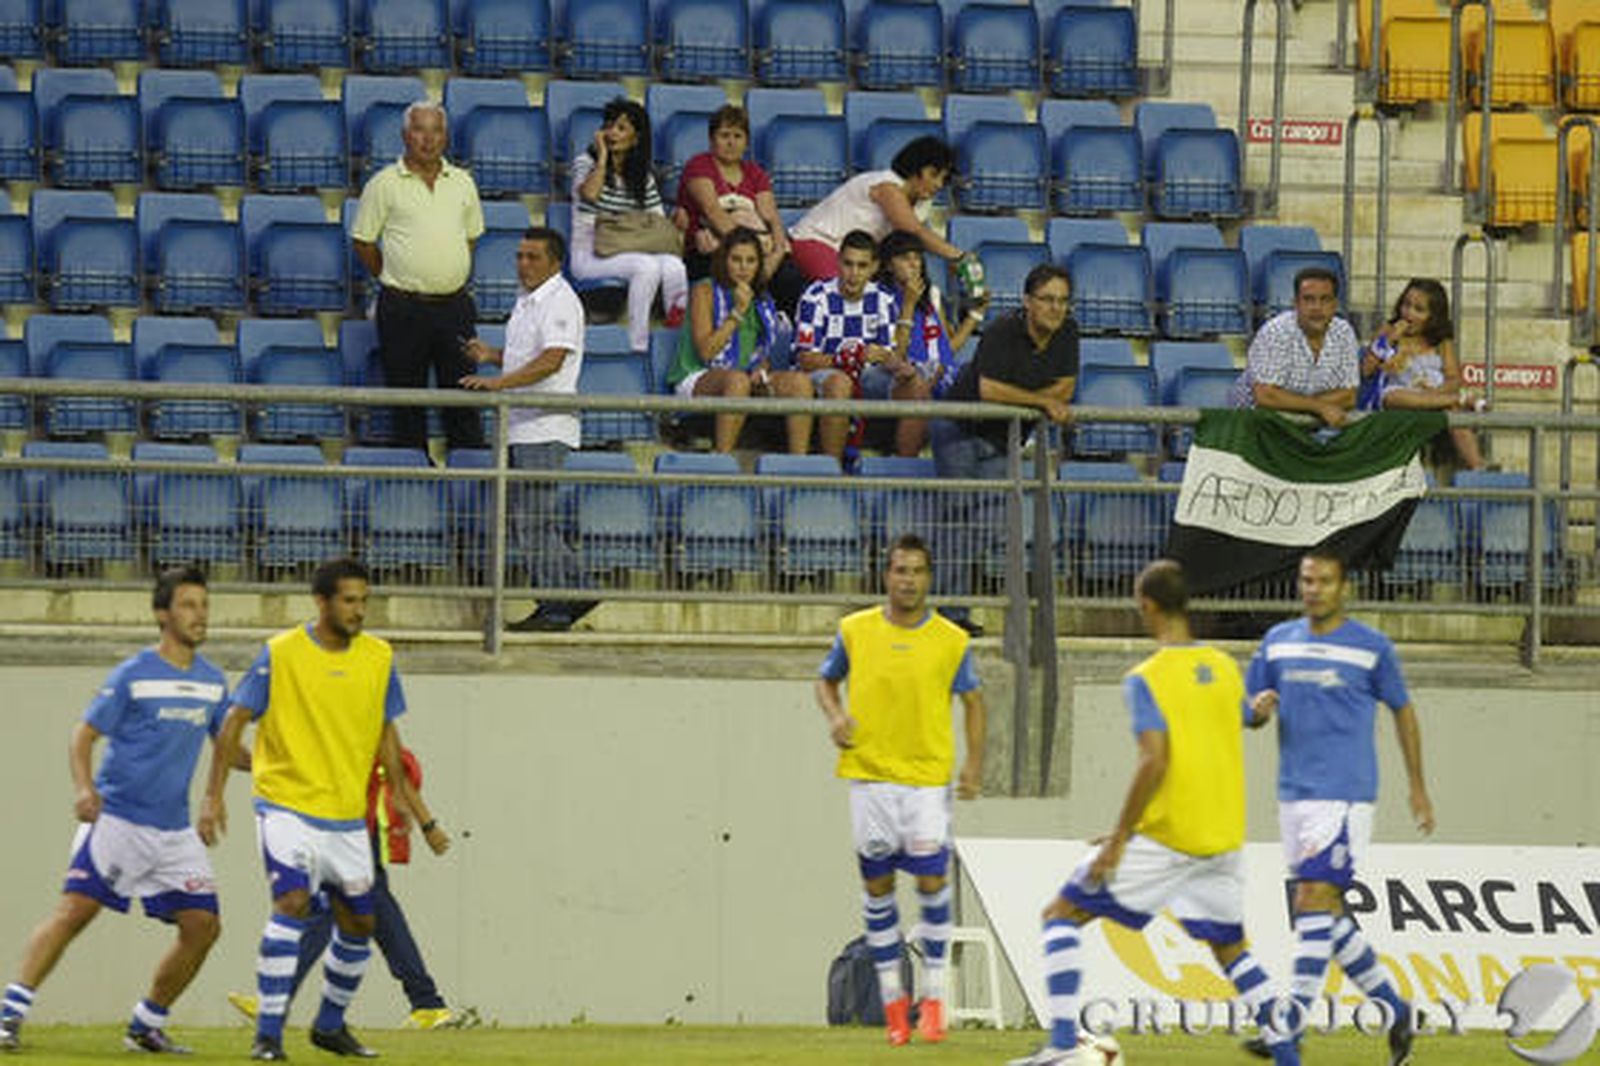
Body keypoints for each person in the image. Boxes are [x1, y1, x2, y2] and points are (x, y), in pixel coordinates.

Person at [1007, 560, 1300, 1066]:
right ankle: (1289, 1055)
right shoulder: (1224, 667)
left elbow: (1154, 759)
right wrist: (1262, 709)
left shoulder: (1147, 678)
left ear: (1146, 605)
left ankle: (1059, 1047)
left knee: (1060, 914)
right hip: (1223, 840)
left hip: (1170, 839)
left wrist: (1120, 840)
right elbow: (1246, 716)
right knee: (1231, 950)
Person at [199, 557, 451, 1062]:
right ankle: (268, 1037)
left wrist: (402, 798)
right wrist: (213, 794)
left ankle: (329, 1026)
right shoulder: (281, 653)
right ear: (322, 602)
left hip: (344, 815)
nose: (359, 610)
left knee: (359, 922)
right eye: (349, 600)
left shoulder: (379, 657)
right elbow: (234, 721)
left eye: (364, 600)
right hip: (286, 805)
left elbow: (385, 730)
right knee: (292, 902)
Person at [0, 567, 229, 1056]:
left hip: (173, 831)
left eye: (204, 605)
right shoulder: (134, 674)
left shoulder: (213, 682)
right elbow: (83, 735)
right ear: (162, 614)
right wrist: (84, 790)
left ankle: (145, 1026)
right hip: (118, 819)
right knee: (74, 912)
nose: (200, 615)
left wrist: (218, 794)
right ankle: (9, 1015)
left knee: (203, 926)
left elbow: (226, 744)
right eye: (189, 605)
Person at [1242, 550, 1435, 1066]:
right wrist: (1255, 711)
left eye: (1324, 581)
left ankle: (1289, 1029)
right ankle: (1397, 1013)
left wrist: (1417, 786)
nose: (1314, 589)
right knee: (1325, 913)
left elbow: (1403, 711)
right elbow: (1247, 706)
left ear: (1343, 587)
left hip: (1346, 796)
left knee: (1311, 898)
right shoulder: (1277, 642)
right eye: (1307, 580)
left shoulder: (1371, 648)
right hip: (1293, 796)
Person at [814, 533, 986, 1048]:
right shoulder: (855, 630)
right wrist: (836, 714)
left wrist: (974, 763)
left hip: (926, 782)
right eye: (899, 570)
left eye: (916, 571)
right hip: (869, 777)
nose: (907, 580)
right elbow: (825, 681)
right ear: (886, 576)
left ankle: (932, 1001)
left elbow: (975, 702)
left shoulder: (951, 640)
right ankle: (893, 1006)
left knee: (931, 885)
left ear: (928, 578)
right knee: (879, 888)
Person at [227, 748, 463, 1032]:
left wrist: (429, 825)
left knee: (328, 909)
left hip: (355, 832)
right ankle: (427, 1003)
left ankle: (276, 998)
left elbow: (396, 769)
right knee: (374, 913)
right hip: (343, 828)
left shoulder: (363, 721)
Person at [461, 226, 599, 633]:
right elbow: (532, 356)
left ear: (555, 262)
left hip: (542, 425)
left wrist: (498, 383)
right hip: (521, 425)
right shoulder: (528, 301)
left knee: (532, 521)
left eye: (533, 257)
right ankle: (574, 590)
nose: (523, 264)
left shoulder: (559, 301)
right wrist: (494, 357)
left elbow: (553, 359)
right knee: (532, 520)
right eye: (520, 256)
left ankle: (560, 603)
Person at [932, 264, 1078, 635]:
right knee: (959, 520)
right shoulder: (1002, 330)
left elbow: (1065, 389)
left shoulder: (1068, 333)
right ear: (1027, 301)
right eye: (1047, 300)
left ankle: (950, 609)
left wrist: (1033, 401)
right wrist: (1040, 403)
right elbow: (988, 391)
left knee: (991, 523)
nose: (1056, 308)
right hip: (959, 428)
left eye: (1062, 301)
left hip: (1003, 439)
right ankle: (951, 617)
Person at [352, 100, 487, 454]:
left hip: (455, 307)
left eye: (436, 130)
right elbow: (363, 241)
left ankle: (469, 475)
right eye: (419, 130)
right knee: (407, 399)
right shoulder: (383, 184)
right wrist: (393, 274)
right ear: (404, 135)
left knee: (463, 395)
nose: (428, 139)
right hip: (403, 308)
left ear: (446, 136)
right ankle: (415, 483)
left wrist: (446, 270)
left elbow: (471, 237)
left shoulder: (463, 183)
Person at [667, 227, 813, 454]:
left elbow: (760, 352)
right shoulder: (704, 290)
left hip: (744, 375)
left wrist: (761, 370)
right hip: (698, 375)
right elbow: (706, 351)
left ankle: (797, 465)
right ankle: (722, 460)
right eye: (736, 259)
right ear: (724, 260)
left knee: (799, 383)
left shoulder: (762, 297)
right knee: (737, 382)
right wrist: (736, 313)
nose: (744, 267)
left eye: (751, 260)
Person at [570, 97, 689, 355]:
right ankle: (638, 344)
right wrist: (602, 158)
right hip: (589, 254)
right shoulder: (585, 163)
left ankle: (677, 339)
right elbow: (589, 194)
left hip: (630, 247)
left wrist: (676, 224)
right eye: (610, 126)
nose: (613, 133)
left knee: (674, 267)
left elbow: (657, 224)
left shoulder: (641, 176)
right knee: (645, 267)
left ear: (636, 138)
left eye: (622, 128)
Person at [871, 229, 986, 457]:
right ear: (888, 265)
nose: (914, 264)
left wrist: (976, 315)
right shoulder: (879, 298)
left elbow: (945, 348)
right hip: (905, 376)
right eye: (905, 258)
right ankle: (907, 466)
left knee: (987, 378)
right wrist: (909, 304)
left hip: (944, 374)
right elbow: (896, 354)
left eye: (917, 258)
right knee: (921, 383)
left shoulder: (932, 295)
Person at [792, 230, 898, 459]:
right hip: (820, 375)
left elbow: (889, 354)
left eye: (862, 266)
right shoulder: (815, 296)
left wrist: (882, 357)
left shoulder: (884, 298)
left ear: (874, 268)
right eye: (848, 264)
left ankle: (908, 472)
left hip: (868, 377)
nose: (854, 274)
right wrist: (845, 359)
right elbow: (805, 359)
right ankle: (834, 469)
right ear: (838, 262)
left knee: (912, 382)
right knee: (840, 382)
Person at [1360, 277, 1485, 470]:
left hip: (1434, 396)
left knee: (1454, 414)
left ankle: (1478, 469)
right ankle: (1461, 399)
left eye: (1419, 309)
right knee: (1392, 396)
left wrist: (1433, 394)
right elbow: (1366, 370)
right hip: (1399, 397)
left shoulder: (1441, 341)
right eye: (1406, 305)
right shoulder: (1388, 330)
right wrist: (1391, 338)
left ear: (1433, 316)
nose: (1409, 313)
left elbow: (1453, 379)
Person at [1230, 266, 1359, 427]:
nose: (1317, 308)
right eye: (1308, 299)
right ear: (1296, 304)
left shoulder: (1344, 332)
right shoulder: (1276, 332)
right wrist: (1320, 407)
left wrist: (1298, 405)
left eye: (1325, 299)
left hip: (1305, 427)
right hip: (1253, 425)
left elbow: (1348, 396)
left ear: (1334, 305)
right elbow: (1265, 396)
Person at [676, 105, 791, 283]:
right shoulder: (699, 165)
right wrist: (752, 252)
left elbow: (772, 218)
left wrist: (776, 255)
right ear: (711, 139)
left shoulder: (755, 172)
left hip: (753, 250)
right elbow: (713, 212)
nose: (731, 142)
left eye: (738, 136)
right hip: (710, 251)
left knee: (790, 276)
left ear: (746, 142)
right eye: (724, 135)